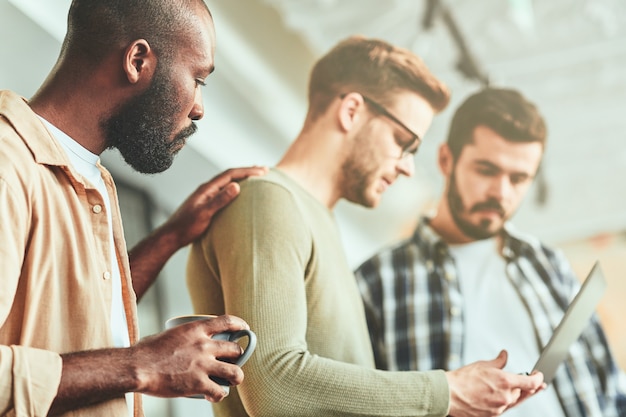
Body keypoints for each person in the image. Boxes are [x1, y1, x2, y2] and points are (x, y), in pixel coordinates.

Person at [186, 36, 545, 417]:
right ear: (353, 110)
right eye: (403, 142)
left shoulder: (315, 219)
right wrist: (446, 391)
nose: (407, 166)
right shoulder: (267, 201)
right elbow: (274, 387)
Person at [0, 0, 268, 416]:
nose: (199, 108)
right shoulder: (7, 165)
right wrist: (143, 364)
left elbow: (81, 317)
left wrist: (173, 235)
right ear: (138, 59)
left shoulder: (93, 179)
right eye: (198, 78)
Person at [354, 87, 626, 416]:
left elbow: (611, 388)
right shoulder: (375, 282)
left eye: (519, 178)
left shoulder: (548, 264)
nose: (501, 192)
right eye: (486, 170)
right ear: (446, 160)